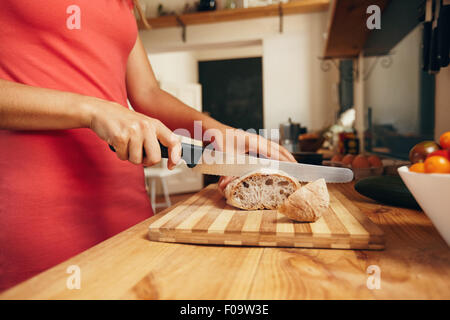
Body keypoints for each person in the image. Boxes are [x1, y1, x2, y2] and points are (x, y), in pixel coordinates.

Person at [0, 0, 295, 292]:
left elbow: (147, 94)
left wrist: (220, 133)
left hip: (127, 214)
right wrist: (94, 110)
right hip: (34, 218)